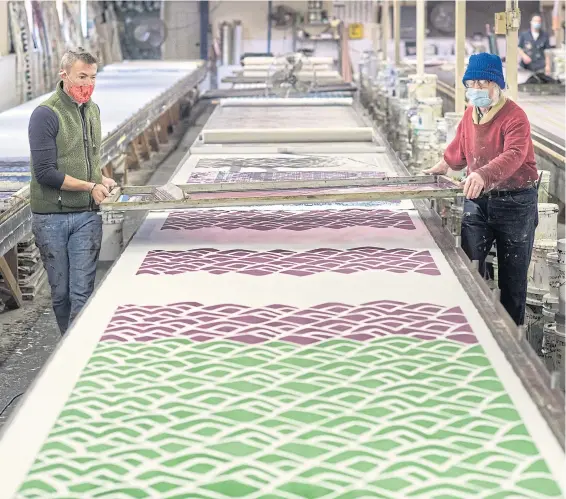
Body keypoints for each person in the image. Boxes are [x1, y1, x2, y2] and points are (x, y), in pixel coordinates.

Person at [424, 53, 539, 326]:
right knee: (468, 265)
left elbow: (514, 154)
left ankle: (512, 334)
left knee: (512, 277)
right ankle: (473, 326)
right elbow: (461, 147)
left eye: (482, 83)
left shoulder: (515, 117)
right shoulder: (470, 114)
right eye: (471, 83)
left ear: (496, 85)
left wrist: (483, 174)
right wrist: (444, 164)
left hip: (515, 203)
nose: (475, 89)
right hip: (478, 200)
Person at [28, 48, 117, 334]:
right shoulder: (46, 114)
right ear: (64, 75)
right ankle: (68, 345)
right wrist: (91, 185)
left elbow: (88, 157)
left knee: (82, 294)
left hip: (86, 217)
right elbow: (45, 173)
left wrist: (101, 178)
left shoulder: (93, 110)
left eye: (92, 77)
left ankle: (75, 352)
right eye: (81, 77)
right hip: (51, 217)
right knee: (62, 295)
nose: (87, 84)